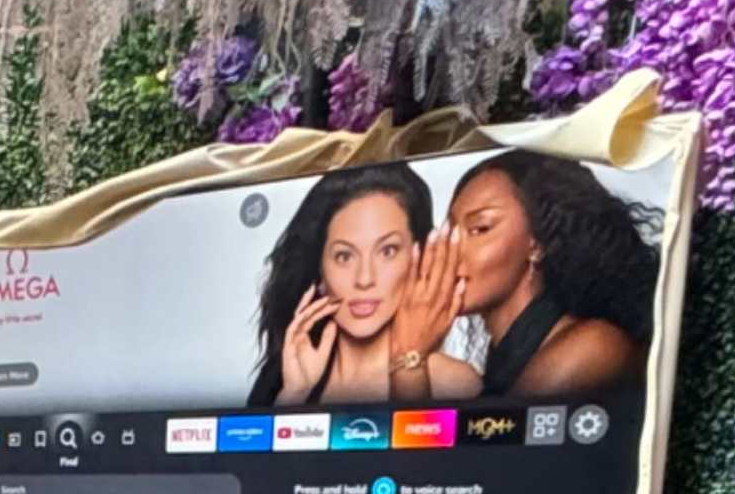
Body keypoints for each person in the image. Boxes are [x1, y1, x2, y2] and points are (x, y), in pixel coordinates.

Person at [435, 148, 661, 399]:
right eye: (450, 232)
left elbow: (496, 437)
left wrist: (410, 357)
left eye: (480, 228)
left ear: (537, 244)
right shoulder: (504, 359)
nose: (450, 250)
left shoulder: (591, 348)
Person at [248, 165, 464, 408]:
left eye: (387, 251)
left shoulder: (453, 382)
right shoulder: (286, 381)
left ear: (420, 255)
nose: (364, 279)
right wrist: (295, 395)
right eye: (344, 256)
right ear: (320, 271)